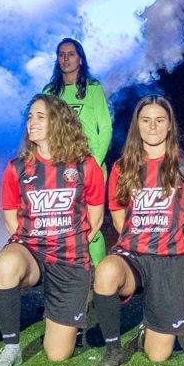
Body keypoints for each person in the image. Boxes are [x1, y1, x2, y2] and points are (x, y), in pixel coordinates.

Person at [91, 96, 184, 366]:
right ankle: (113, 349)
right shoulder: (123, 167)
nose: (152, 126)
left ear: (170, 126)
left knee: (158, 355)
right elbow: (119, 215)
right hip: (133, 254)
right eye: (146, 120)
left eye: (159, 120)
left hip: (169, 256)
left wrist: (167, 242)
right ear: (137, 125)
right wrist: (140, 241)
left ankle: (148, 330)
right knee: (107, 271)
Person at [0, 95, 106, 366]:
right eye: (30, 117)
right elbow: (11, 223)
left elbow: (96, 218)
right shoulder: (16, 168)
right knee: (6, 263)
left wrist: (69, 244)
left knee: (57, 354)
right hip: (32, 252)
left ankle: (67, 317)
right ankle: (11, 347)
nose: (32, 122)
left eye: (40, 117)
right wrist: (33, 244)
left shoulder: (85, 166)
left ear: (59, 122)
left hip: (69, 258)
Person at [43, 38, 114, 260]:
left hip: (91, 165)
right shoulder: (49, 90)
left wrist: (94, 162)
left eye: (71, 54)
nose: (66, 58)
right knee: (63, 223)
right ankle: (69, 271)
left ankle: (100, 276)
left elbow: (106, 128)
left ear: (80, 59)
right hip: (60, 168)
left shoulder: (93, 88)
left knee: (91, 224)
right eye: (61, 54)